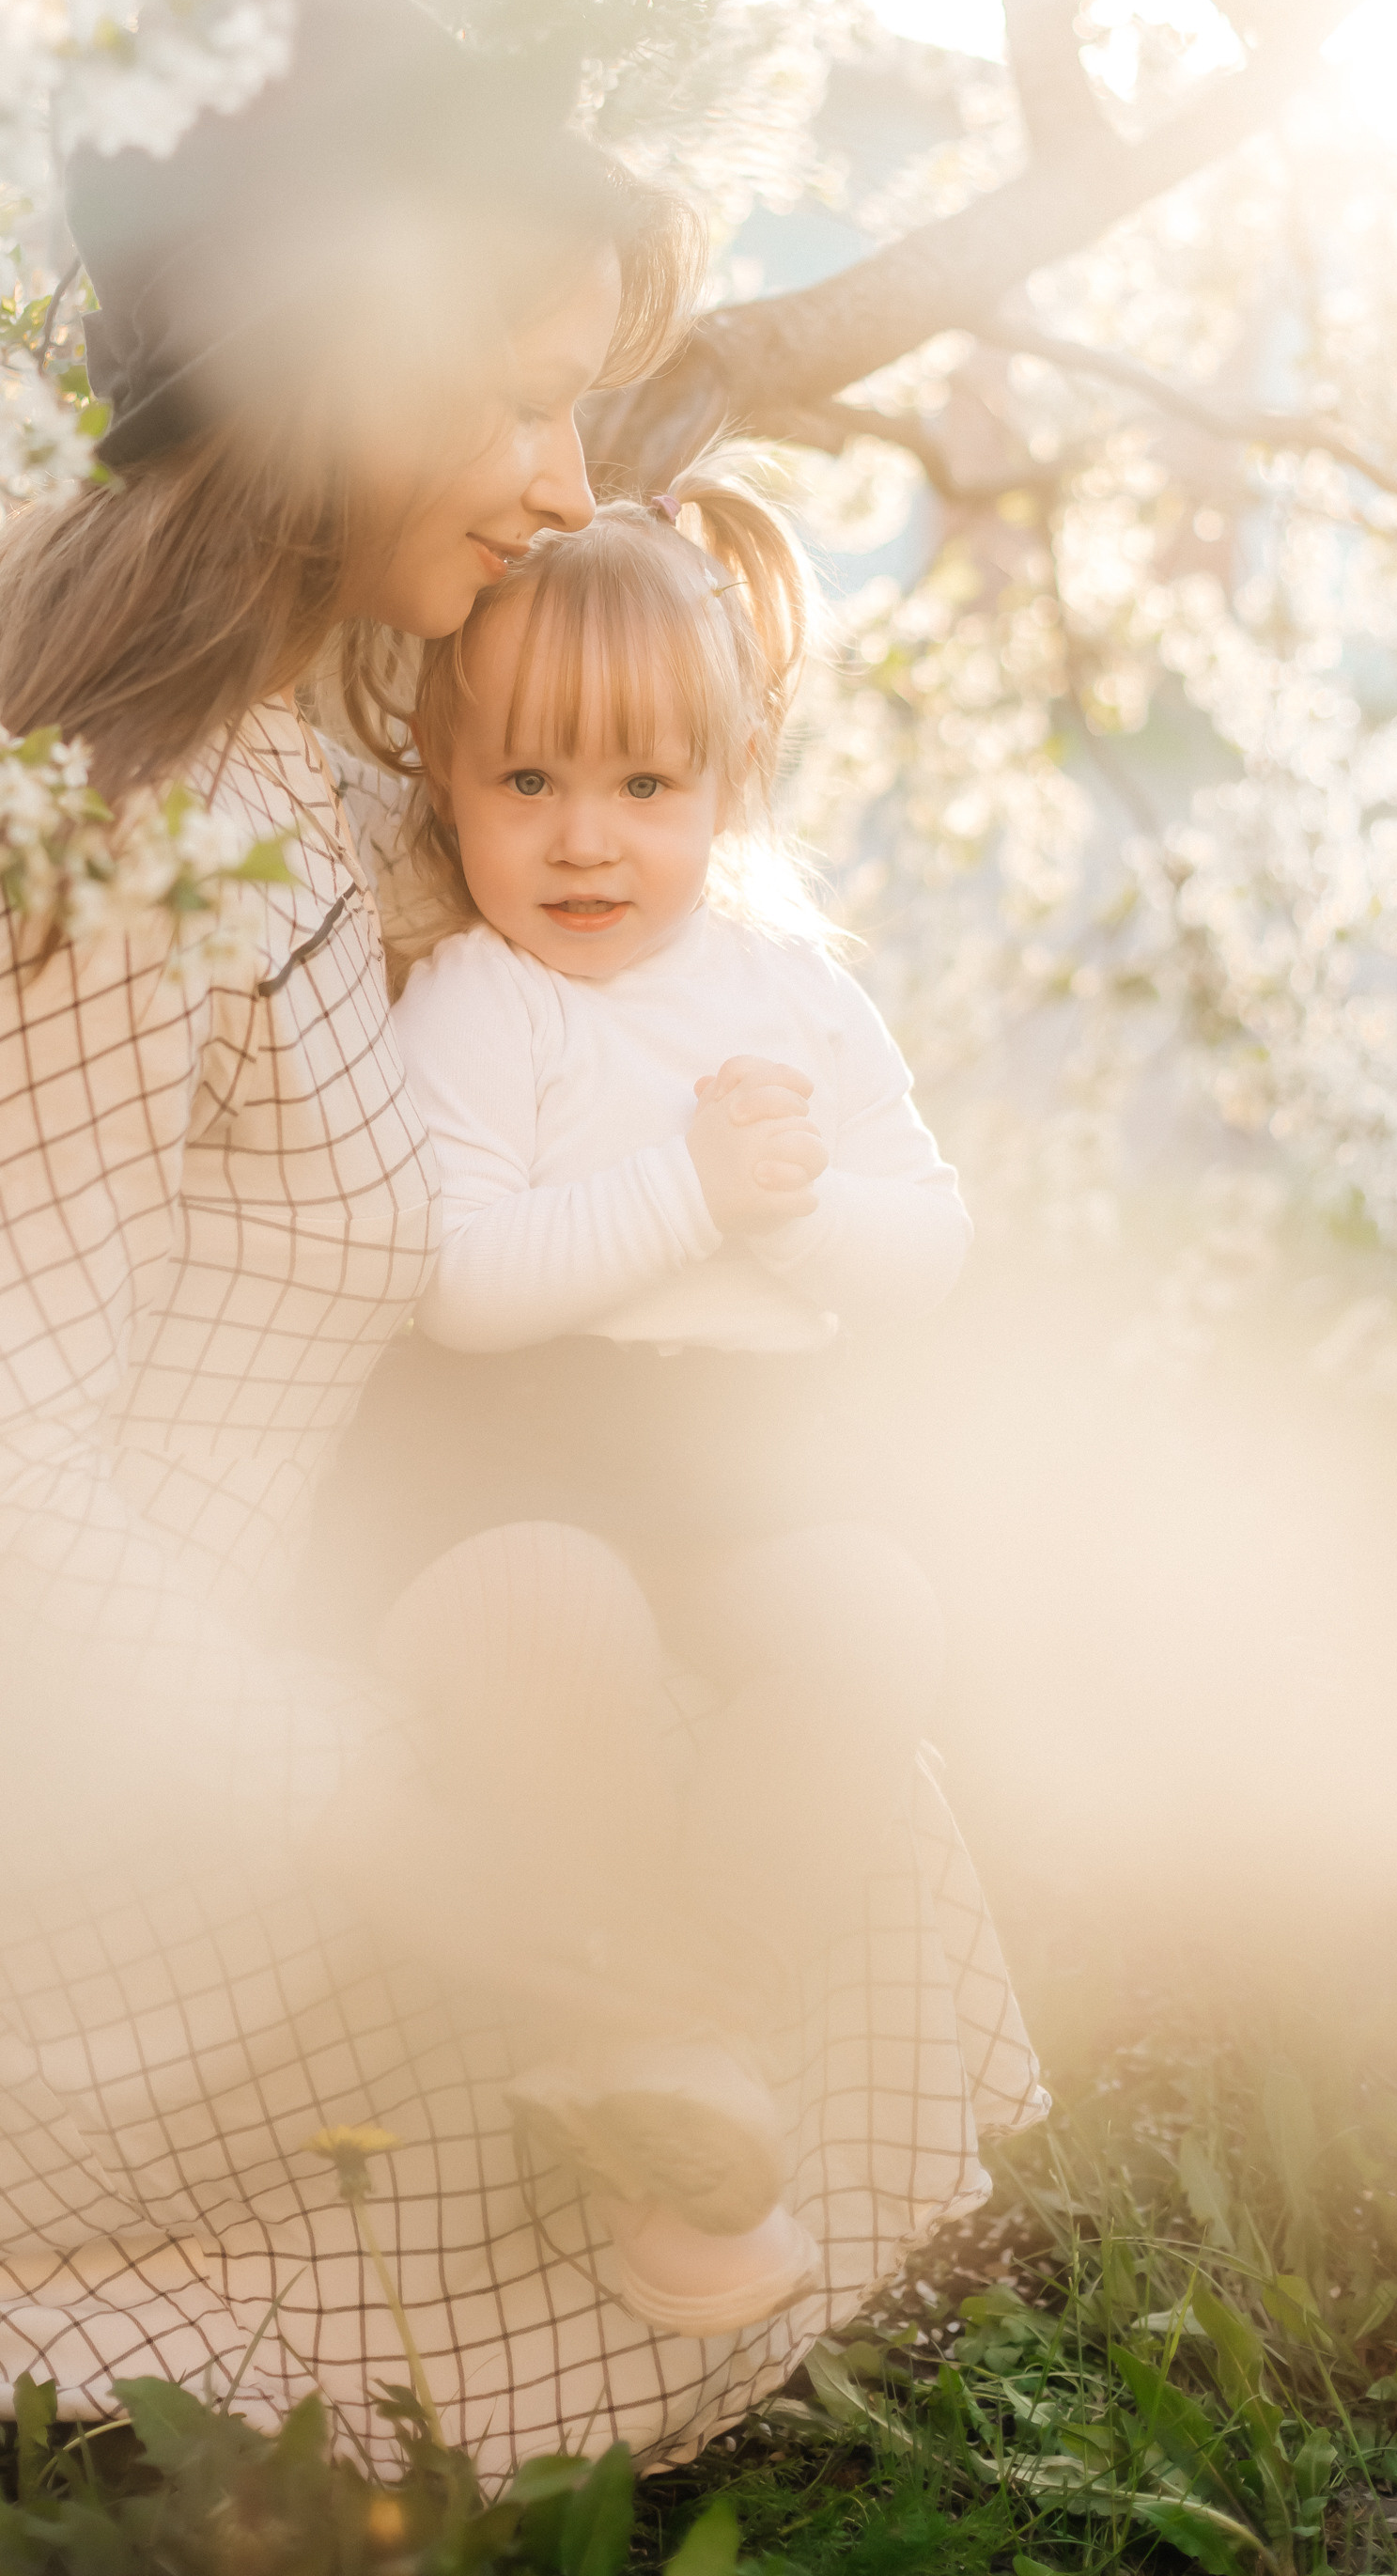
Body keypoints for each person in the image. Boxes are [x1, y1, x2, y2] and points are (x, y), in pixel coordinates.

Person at [0, 0, 1040, 2486]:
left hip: (266, 1647)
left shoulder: (328, 735)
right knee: (594, 1902)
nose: (556, 473)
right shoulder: (100, 856)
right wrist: (374, 1800)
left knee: (789, 1669)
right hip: (66, 1791)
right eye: (505, 395)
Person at [303, 475, 1027, 2347]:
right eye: (525, 785)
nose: (584, 841)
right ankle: (638, 2060)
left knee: (874, 1615)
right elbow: (460, 1285)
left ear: (733, 776)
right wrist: (699, 1197)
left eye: (645, 787)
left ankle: (705, 2028)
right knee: (555, 1607)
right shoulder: (477, 1001)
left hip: (746, 1469)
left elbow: (929, 1238)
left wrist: (798, 1220)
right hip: (516, 1465)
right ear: (439, 776)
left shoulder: (790, 994)